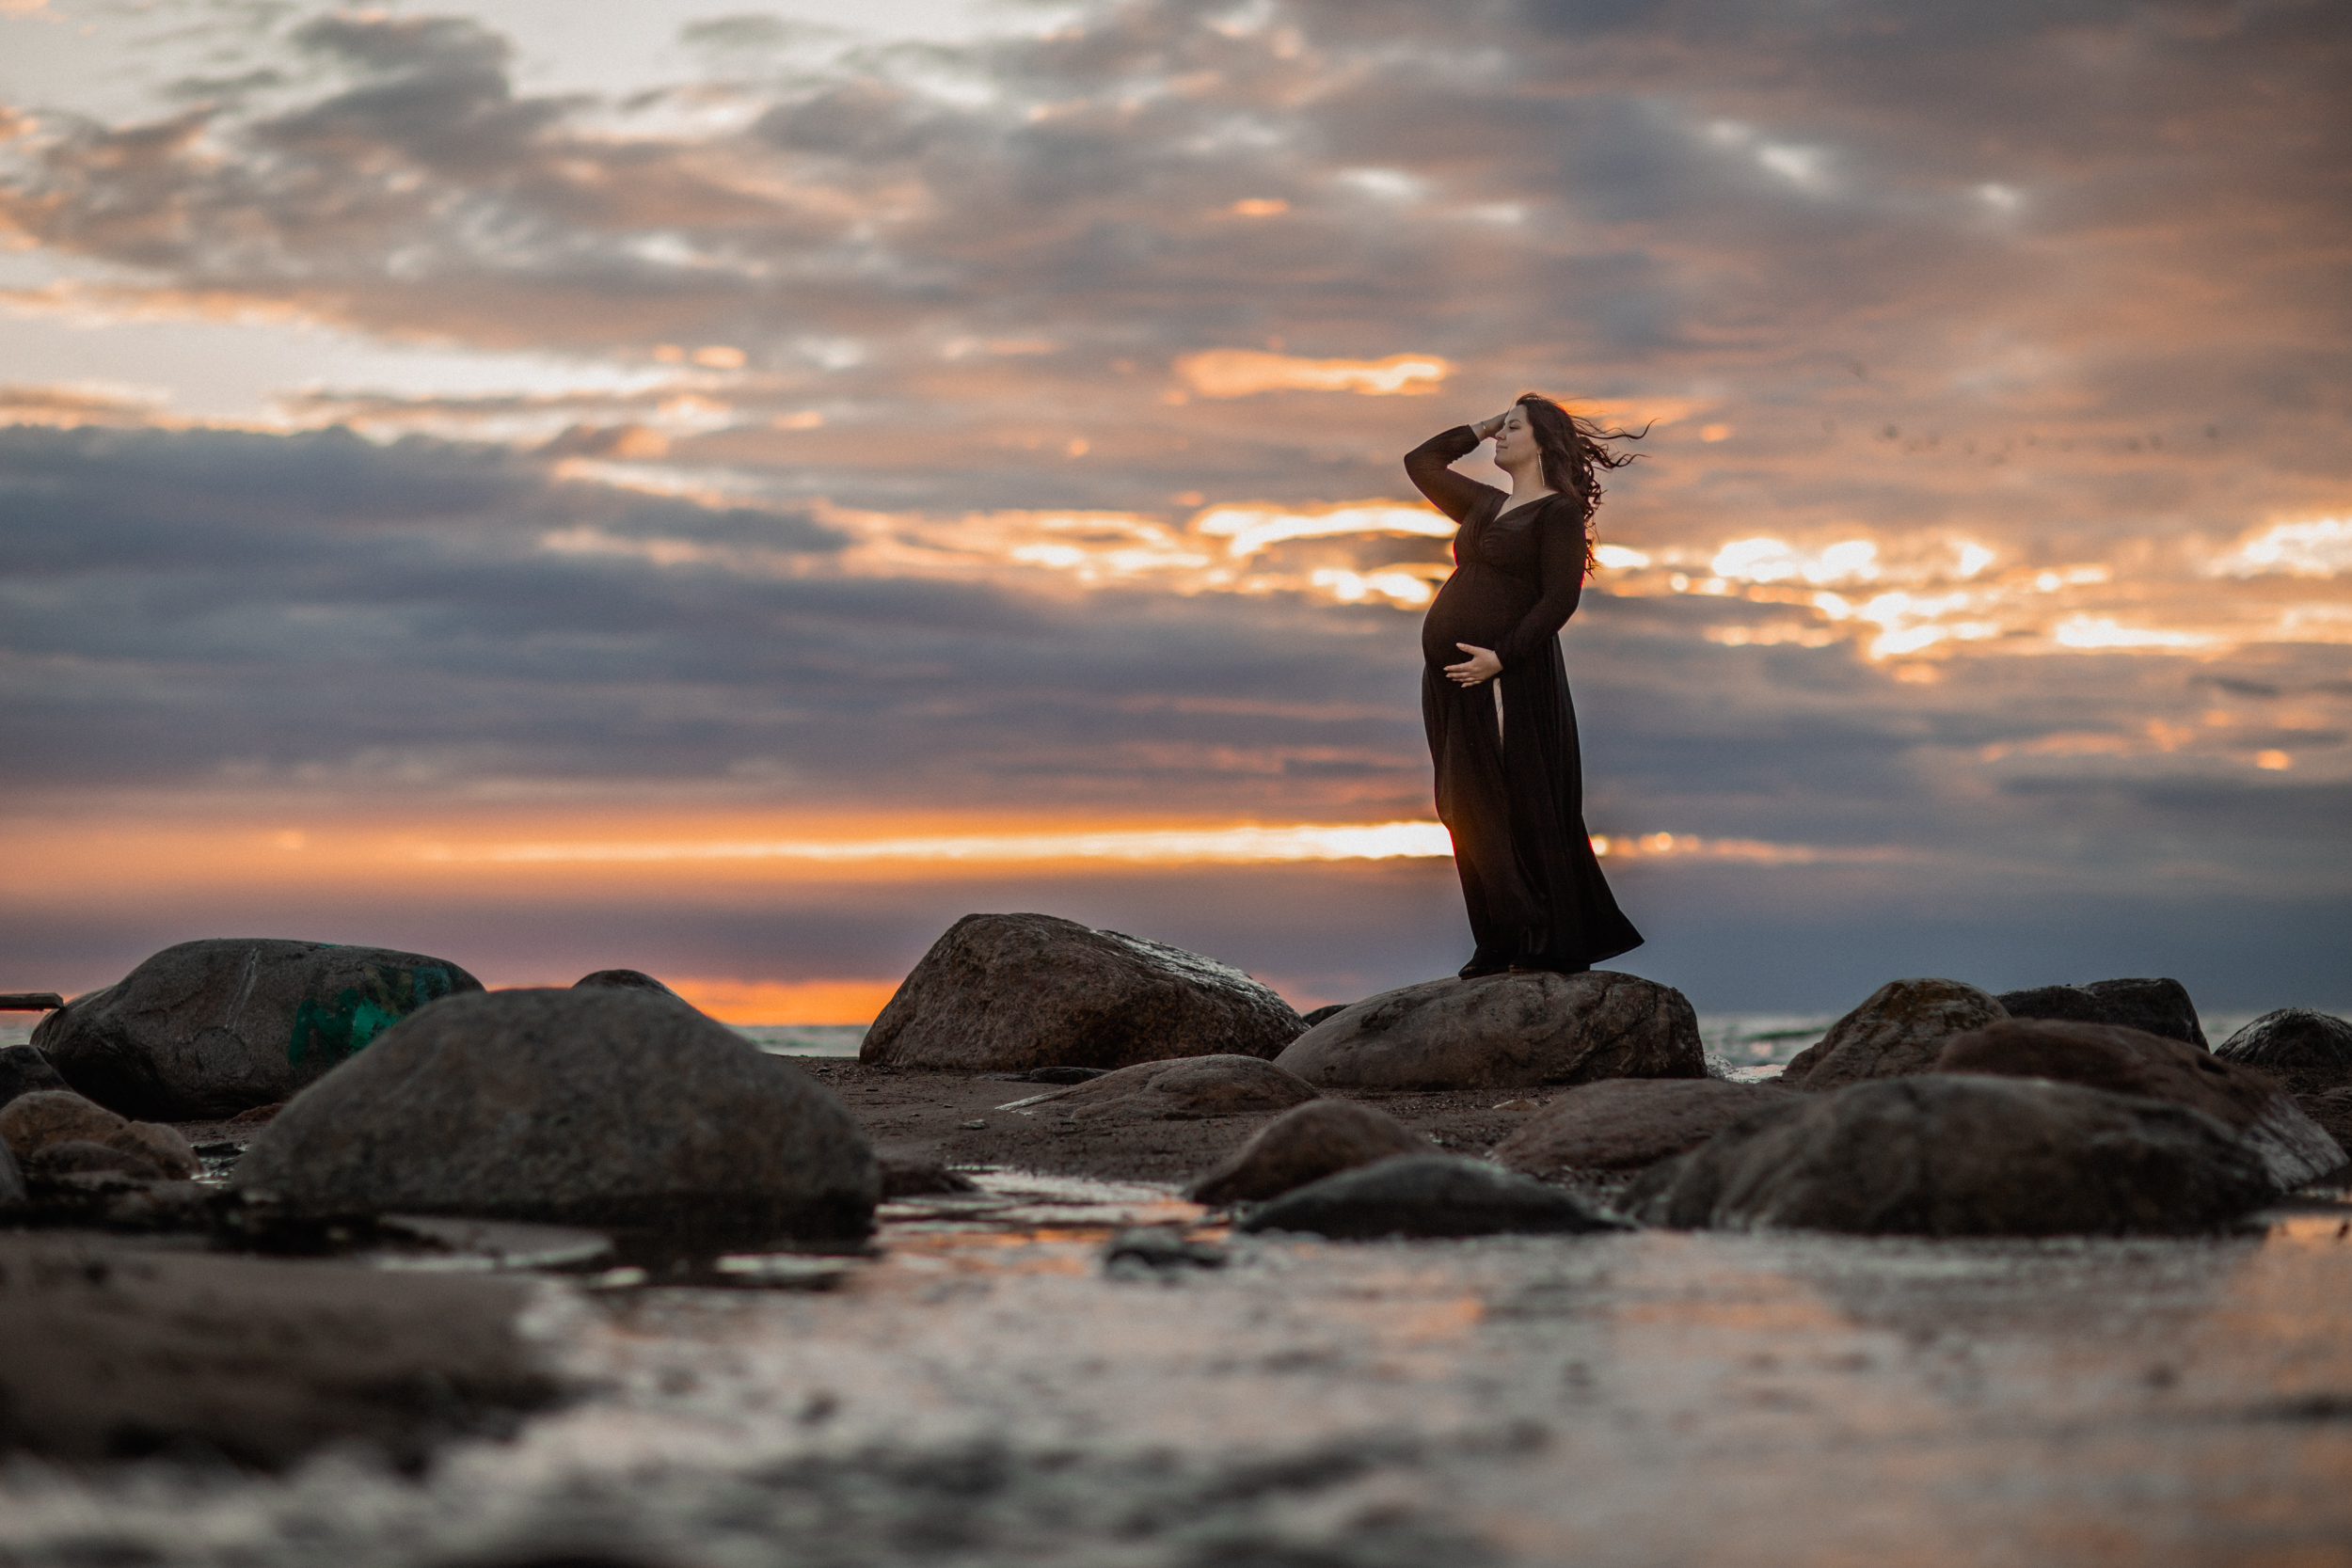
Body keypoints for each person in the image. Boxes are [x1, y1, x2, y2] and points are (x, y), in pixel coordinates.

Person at [1406, 394, 1645, 977]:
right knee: (1460, 804)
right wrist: (1481, 424)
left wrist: (1501, 660)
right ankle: (1499, 932)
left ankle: (1536, 936)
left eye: (1513, 428)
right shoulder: (1486, 505)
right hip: (1453, 683)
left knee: (1516, 800)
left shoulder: (1556, 513)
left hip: (1508, 678)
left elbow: (1559, 597)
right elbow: (1421, 462)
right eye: (1500, 428)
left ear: (1542, 441)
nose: (1499, 438)